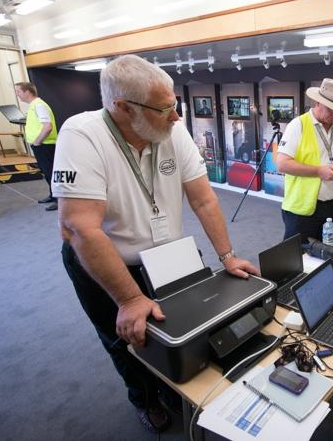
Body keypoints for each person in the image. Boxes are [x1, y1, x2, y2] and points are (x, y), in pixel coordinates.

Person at [51, 55, 259, 434]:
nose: (176, 116)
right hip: (108, 261)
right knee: (126, 339)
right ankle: (144, 398)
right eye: (164, 109)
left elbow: (203, 199)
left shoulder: (171, 131)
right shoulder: (81, 135)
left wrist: (227, 256)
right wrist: (130, 299)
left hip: (168, 256)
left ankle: (170, 387)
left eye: (174, 105)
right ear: (123, 108)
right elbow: (79, 228)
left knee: (185, 328)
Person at [276, 78, 333, 241]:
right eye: (330, 109)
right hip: (301, 210)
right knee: (298, 254)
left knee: (328, 252)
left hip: (331, 208)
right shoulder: (298, 125)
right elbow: (282, 164)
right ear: (317, 102)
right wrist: (319, 171)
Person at [15, 81, 58, 211]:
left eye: (18, 91)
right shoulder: (34, 106)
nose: (17, 95)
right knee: (47, 172)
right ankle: (53, 195)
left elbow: (48, 127)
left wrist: (37, 142)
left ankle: (59, 199)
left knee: (50, 172)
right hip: (41, 145)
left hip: (45, 145)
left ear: (28, 92)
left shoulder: (39, 105)